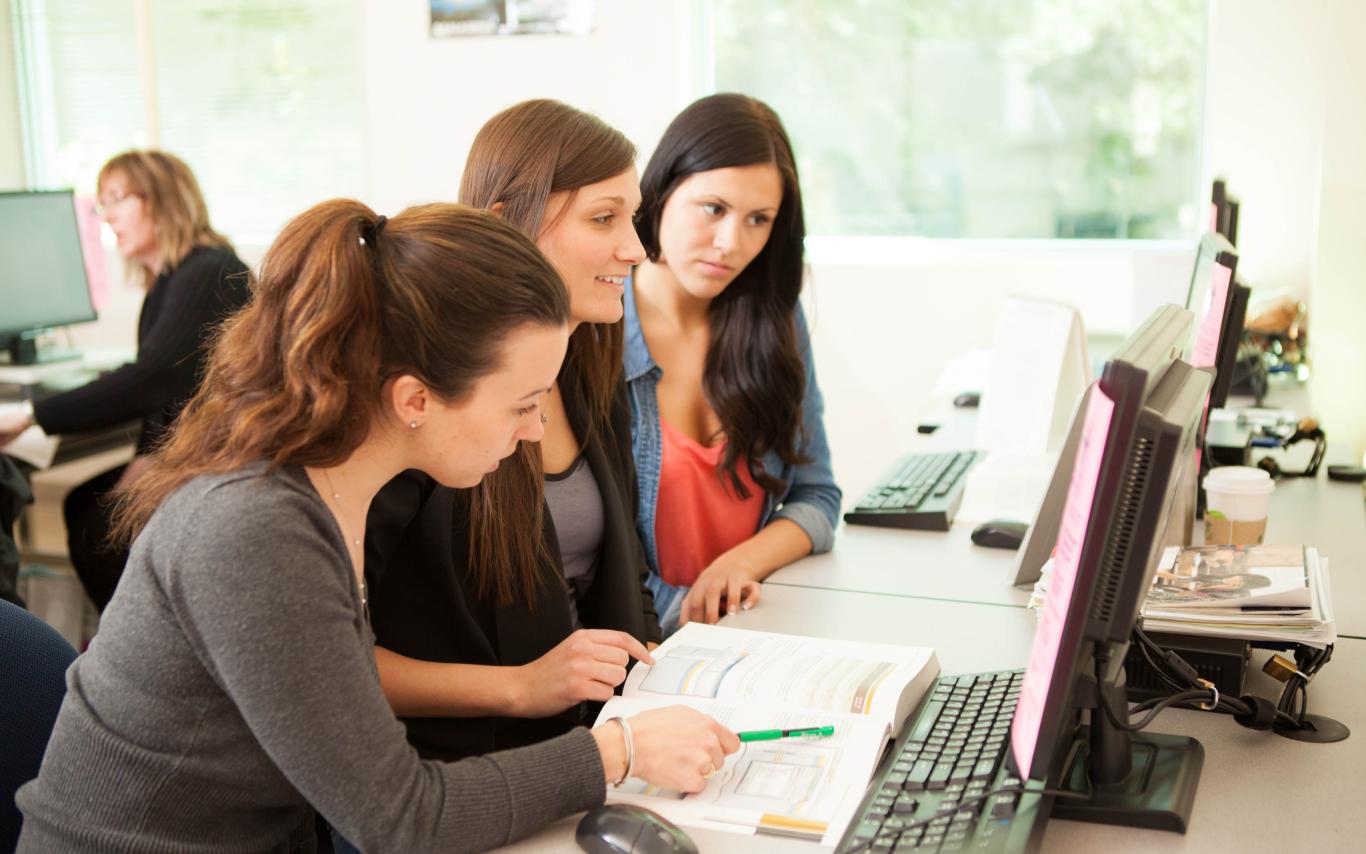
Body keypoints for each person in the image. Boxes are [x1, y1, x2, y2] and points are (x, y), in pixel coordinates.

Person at [16, 200, 738, 853]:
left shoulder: (335, 489)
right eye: (522, 403)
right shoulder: (254, 531)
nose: (534, 430)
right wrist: (616, 751)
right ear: (415, 399)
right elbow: (401, 820)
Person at [365, 100, 662, 762]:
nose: (636, 248)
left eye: (633, 216)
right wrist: (517, 689)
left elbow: (622, 570)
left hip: (589, 740)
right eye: (604, 218)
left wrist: (661, 669)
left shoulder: (589, 362)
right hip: (456, 769)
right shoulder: (427, 401)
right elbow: (330, 665)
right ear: (508, 226)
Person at [627, 93, 841, 634]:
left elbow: (816, 496)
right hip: (644, 652)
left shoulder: (773, 318)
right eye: (714, 208)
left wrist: (738, 564)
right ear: (663, 190)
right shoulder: (596, 327)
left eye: (758, 219)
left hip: (754, 632)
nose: (730, 243)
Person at [0, 150, 251, 611]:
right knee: (83, 503)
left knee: (100, 528)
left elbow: (151, 380)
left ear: (163, 199)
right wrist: (146, 457)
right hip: (194, 448)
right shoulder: (169, 281)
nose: (107, 216)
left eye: (117, 198)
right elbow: (168, 392)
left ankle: (147, 650)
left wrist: (32, 415)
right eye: (102, 203)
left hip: (226, 456)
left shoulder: (208, 269)